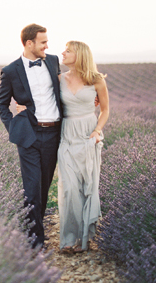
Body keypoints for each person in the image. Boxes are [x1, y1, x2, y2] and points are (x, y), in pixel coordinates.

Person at [0, 23, 63, 248]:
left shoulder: (53, 61)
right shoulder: (11, 70)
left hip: (54, 132)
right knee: (32, 188)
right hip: (29, 136)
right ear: (29, 43)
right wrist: (14, 126)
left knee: (43, 187)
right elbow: (1, 104)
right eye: (43, 42)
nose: (47, 45)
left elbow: (63, 90)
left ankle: (35, 228)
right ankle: (35, 242)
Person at [56, 40, 109, 253]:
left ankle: (84, 239)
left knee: (88, 186)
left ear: (80, 55)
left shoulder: (96, 80)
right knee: (69, 189)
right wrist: (23, 105)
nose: (63, 53)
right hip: (67, 136)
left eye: (68, 51)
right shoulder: (58, 79)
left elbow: (105, 110)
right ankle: (69, 240)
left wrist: (97, 131)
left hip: (88, 137)